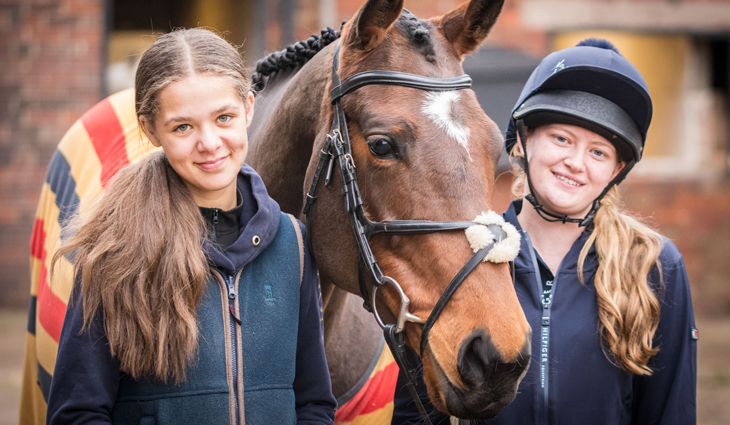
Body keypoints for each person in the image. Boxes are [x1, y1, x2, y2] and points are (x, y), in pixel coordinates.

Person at [391, 38, 697, 424]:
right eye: (562, 139)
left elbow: (672, 411)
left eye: (598, 152)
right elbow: (415, 414)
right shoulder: (459, 255)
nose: (575, 162)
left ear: (616, 171)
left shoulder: (654, 264)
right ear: (522, 140)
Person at [46, 28, 336, 424]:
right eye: (183, 127)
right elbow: (76, 414)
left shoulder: (294, 244)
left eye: (224, 118)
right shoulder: (112, 252)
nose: (210, 142)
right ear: (150, 130)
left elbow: (314, 403)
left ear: (248, 108)